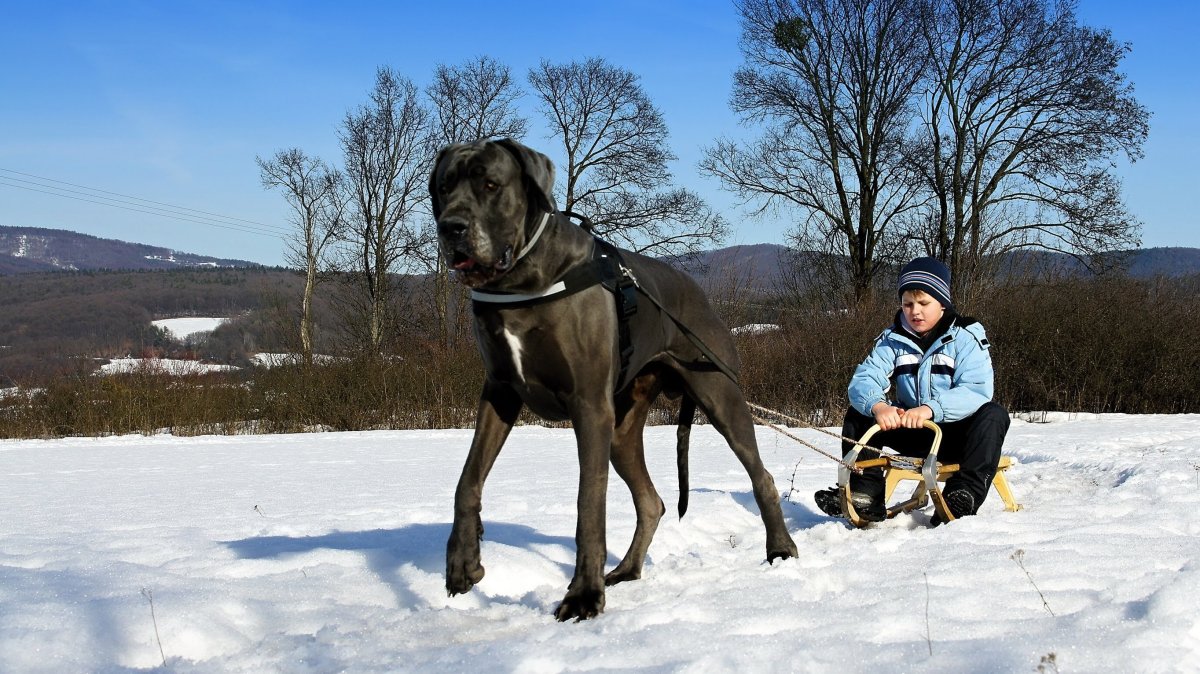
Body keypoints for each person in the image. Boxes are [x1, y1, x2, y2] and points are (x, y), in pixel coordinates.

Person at [814, 257, 1010, 524]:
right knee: (859, 414)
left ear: (942, 303)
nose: (915, 311)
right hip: (914, 432)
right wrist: (879, 406)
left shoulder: (965, 338)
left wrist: (931, 409)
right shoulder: (893, 340)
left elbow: (976, 389)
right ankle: (864, 493)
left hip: (957, 435)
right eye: (908, 304)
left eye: (923, 303)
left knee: (993, 414)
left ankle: (963, 494)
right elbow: (865, 378)